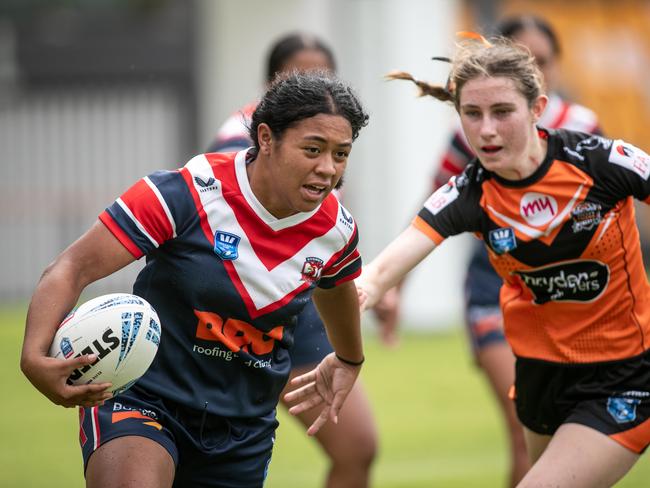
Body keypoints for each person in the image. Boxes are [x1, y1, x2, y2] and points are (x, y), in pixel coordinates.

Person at [20, 71, 369, 488]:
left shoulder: (336, 229)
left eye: (341, 154)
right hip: (144, 400)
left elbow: (337, 286)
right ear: (266, 138)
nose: (328, 169)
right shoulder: (186, 194)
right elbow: (71, 268)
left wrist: (350, 359)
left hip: (242, 430)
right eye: (313, 149)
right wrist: (33, 356)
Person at [359, 35, 650, 487]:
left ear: (537, 109)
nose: (486, 130)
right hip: (538, 376)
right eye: (471, 115)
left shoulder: (598, 161)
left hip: (624, 373)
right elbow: (378, 273)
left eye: (502, 112)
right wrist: (335, 320)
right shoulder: (469, 192)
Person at [207, 32, 377, 488]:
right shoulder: (236, 139)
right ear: (270, 86)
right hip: (243, 314)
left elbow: (331, 237)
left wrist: (369, 284)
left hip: (302, 311)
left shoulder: (331, 132)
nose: (312, 84)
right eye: (299, 75)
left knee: (358, 448)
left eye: (322, 75)